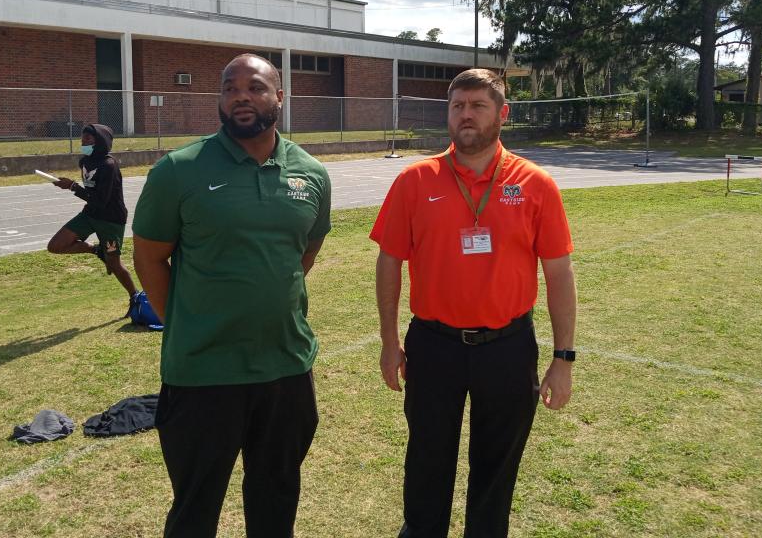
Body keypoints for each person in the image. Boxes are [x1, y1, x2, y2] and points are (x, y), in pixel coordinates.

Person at [371, 68, 578, 538]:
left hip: (507, 348)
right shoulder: (414, 180)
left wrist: (563, 358)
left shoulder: (535, 183)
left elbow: (560, 273)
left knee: (496, 467)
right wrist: (389, 341)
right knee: (427, 460)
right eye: (457, 105)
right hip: (433, 346)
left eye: (477, 105)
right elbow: (389, 262)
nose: (466, 115)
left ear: (502, 114)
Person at [132, 53, 332, 538]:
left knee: (276, 496)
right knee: (195, 508)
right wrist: (186, 320)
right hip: (203, 372)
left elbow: (303, 254)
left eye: (256, 87)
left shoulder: (311, 175)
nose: (241, 95)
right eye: (229, 87)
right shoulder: (179, 170)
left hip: (285, 368)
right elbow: (149, 259)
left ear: (280, 97)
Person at [47, 123, 144, 310]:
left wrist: (72, 187)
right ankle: (97, 251)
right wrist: (72, 186)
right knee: (55, 246)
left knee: (115, 264)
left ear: (100, 141)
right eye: (82, 139)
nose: (83, 142)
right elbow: (92, 197)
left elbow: (101, 200)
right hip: (90, 214)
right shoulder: (84, 162)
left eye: (88, 139)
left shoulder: (109, 165)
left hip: (110, 220)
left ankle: (135, 298)